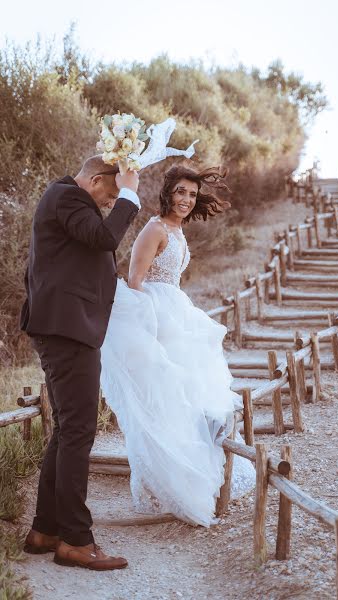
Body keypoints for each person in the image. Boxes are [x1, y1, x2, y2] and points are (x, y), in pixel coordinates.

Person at [100, 164, 255, 526]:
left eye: (192, 194)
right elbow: (135, 281)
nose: (186, 200)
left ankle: (193, 478)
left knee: (188, 403)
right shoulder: (154, 229)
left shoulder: (178, 231)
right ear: (168, 192)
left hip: (177, 315)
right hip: (156, 319)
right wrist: (146, 335)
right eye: (180, 192)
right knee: (166, 404)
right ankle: (167, 485)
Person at [21, 155, 140, 570]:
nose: (111, 204)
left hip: (66, 328)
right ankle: (75, 539)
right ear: (94, 180)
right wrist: (130, 193)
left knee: (69, 430)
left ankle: (46, 529)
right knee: (79, 431)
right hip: (67, 330)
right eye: (109, 194)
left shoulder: (66, 198)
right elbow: (105, 238)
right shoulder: (69, 198)